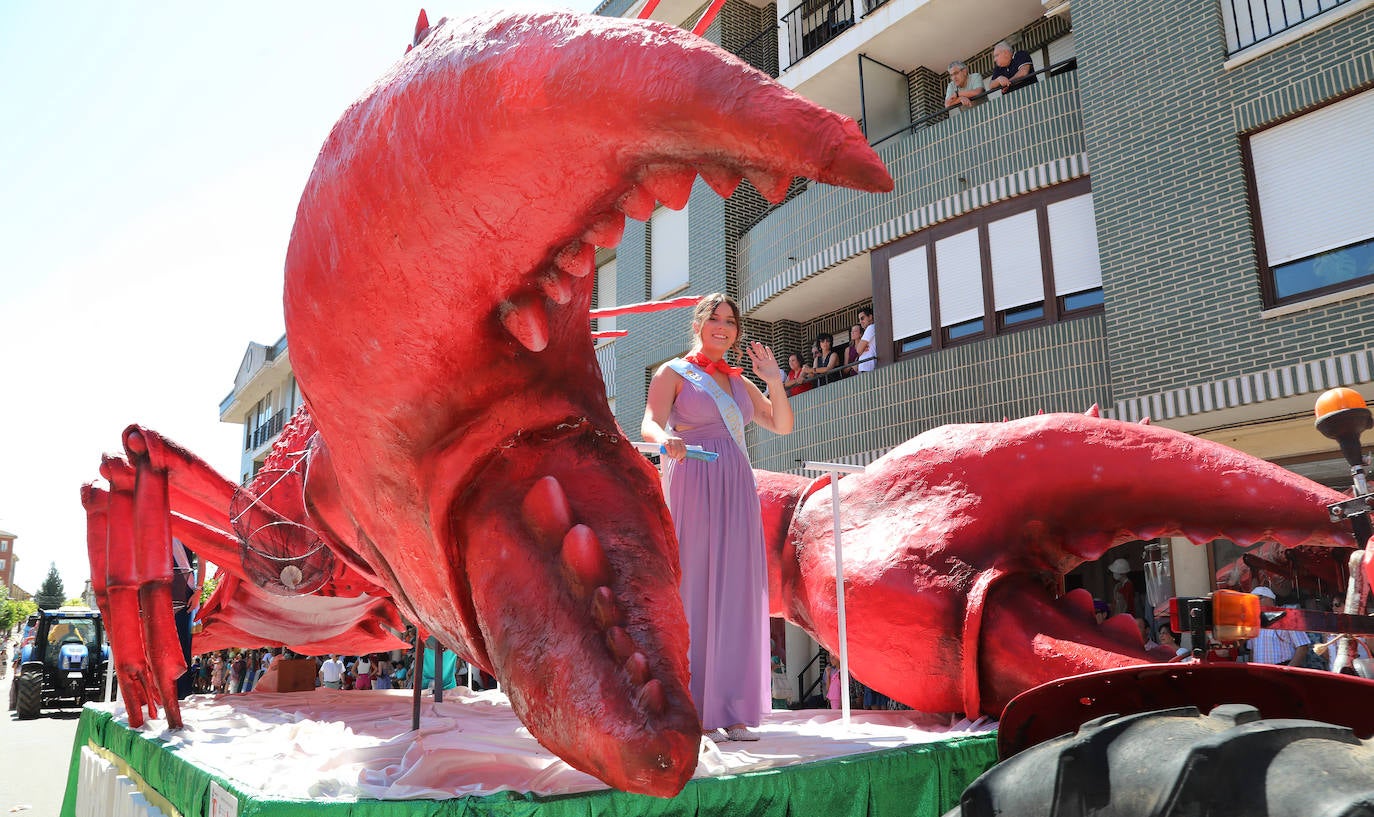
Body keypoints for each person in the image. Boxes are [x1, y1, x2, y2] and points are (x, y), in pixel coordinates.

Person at [641, 293, 794, 742]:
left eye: (730, 321)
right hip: (694, 476)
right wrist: (667, 439)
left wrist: (774, 381)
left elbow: (781, 425)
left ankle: (733, 709)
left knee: (736, 591)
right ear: (699, 324)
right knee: (696, 587)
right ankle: (692, 708)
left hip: (737, 486)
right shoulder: (673, 372)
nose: (722, 327)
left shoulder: (740, 381)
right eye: (715, 319)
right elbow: (650, 421)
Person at [1245, 586, 1310, 666]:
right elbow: (1252, 651)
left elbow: (1303, 647)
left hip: (1282, 670)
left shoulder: (1287, 616)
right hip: (1259, 672)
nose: (1256, 602)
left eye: (1260, 598)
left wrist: (1288, 669)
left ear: (1271, 599)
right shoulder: (1254, 621)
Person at [856, 307, 876, 373]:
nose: (860, 322)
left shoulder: (870, 327)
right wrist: (862, 346)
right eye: (859, 320)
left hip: (867, 367)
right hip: (868, 366)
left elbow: (858, 350)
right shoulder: (873, 328)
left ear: (870, 317)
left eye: (862, 318)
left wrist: (862, 347)